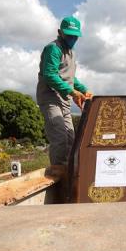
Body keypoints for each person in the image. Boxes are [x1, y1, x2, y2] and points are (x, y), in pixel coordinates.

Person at [36, 16, 92, 166]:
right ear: (60, 32)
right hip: (50, 98)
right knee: (60, 137)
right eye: (69, 35)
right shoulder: (53, 48)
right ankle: (58, 173)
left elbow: (70, 77)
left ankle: (69, 170)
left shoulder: (71, 53)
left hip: (64, 99)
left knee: (71, 138)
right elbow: (50, 75)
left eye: (75, 36)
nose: (72, 38)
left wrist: (83, 89)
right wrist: (73, 92)